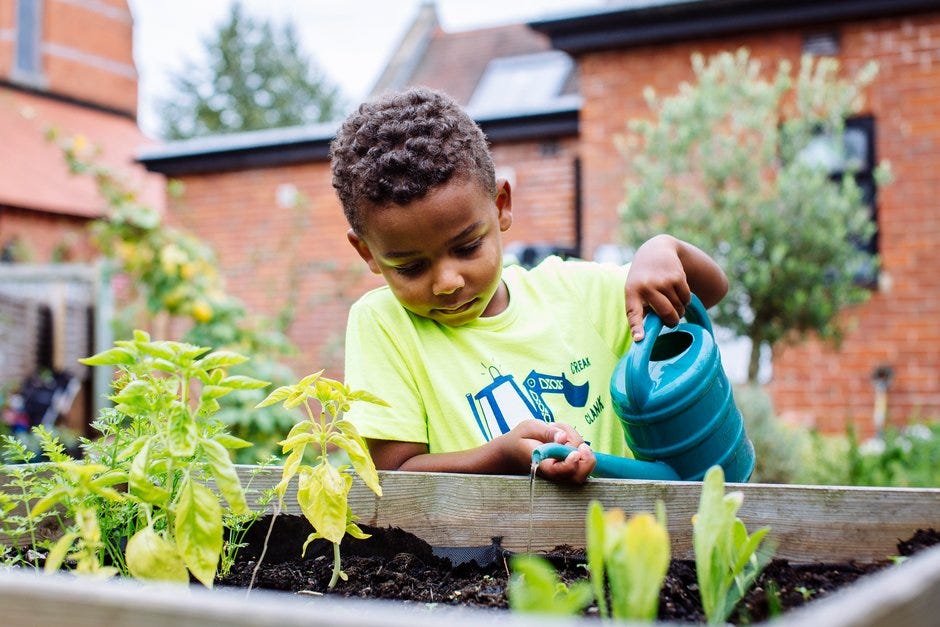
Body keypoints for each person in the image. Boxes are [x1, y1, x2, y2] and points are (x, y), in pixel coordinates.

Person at [331, 87, 728, 484]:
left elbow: (709, 292)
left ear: (501, 205)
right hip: (480, 547)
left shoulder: (575, 293)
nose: (448, 283)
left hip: (623, 543)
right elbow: (395, 473)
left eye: (468, 247)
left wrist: (665, 248)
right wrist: (502, 456)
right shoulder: (385, 324)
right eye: (412, 267)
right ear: (367, 252)